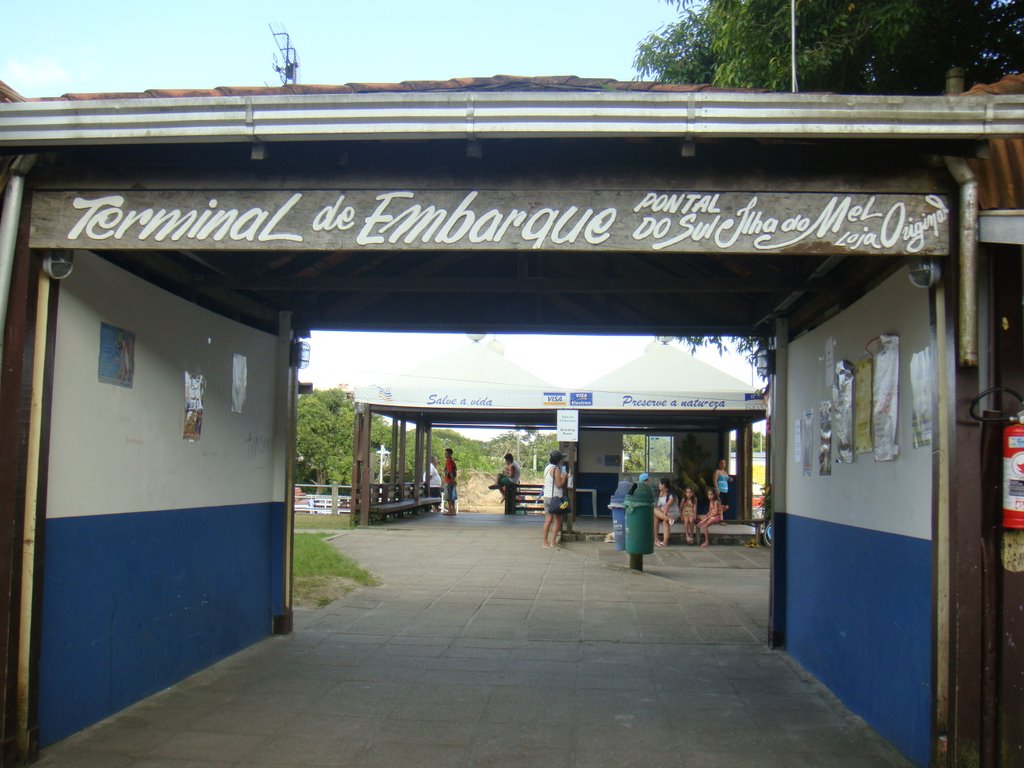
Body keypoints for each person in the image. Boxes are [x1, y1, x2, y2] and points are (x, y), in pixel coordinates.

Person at [542, 450, 568, 547]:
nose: (562, 461)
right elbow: (559, 484)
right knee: (557, 520)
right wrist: (564, 477)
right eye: (561, 459)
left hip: (547, 496)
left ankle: (545, 542)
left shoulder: (547, 468)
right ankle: (553, 541)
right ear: (559, 460)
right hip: (555, 498)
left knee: (548, 520)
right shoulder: (556, 469)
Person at [654, 477, 680, 547]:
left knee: (665, 521)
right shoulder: (661, 493)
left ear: (664, 485)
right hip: (665, 514)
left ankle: (665, 542)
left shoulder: (672, 494)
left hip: (673, 513)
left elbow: (668, 505)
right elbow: (658, 506)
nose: (658, 486)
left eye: (659, 484)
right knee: (655, 516)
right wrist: (662, 514)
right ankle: (656, 539)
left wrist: (664, 514)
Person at [442, 448, 458, 515]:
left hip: (449, 481)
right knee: (452, 496)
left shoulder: (449, 461)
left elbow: (450, 472)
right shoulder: (452, 461)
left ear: (450, 454)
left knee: (449, 497)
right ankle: (453, 510)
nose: (445, 454)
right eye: (445, 453)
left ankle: (450, 510)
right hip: (451, 480)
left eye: (447, 453)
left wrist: (453, 480)